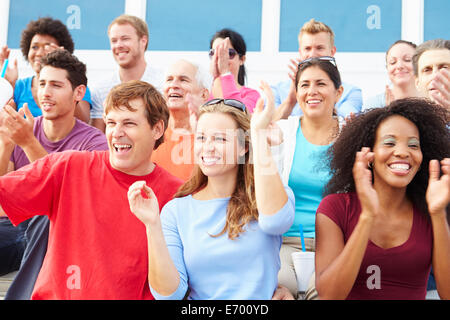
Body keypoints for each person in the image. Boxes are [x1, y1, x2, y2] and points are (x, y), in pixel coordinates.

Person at [0, 80, 182, 299]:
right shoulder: (67, 166)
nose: (117, 132)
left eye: (129, 123)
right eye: (112, 122)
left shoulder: (177, 195)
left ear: (157, 129)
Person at [128, 82, 295, 299]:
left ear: (244, 147)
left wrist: (258, 135)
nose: (208, 147)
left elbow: (276, 221)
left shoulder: (270, 194)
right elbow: (169, 295)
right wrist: (152, 225)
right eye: (201, 137)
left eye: (220, 138)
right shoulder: (175, 211)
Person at [315, 98, 450, 300]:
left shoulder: (432, 210)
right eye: (389, 143)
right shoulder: (335, 208)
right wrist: (367, 216)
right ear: (369, 154)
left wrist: (438, 213)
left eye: (413, 145)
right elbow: (329, 296)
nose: (403, 152)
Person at [0, 49, 109, 299]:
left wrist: (28, 143)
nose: (46, 93)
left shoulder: (95, 144)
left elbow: (69, 207)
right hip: (11, 228)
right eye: (42, 84)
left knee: (44, 221)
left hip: (57, 234)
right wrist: (6, 145)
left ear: (78, 93)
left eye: (56, 85)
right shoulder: (21, 129)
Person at [272, 56, 344, 299]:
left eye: (321, 84)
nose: (312, 91)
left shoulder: (351, 136)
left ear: (338, 92)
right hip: (285, 243)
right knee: (277, 289)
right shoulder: (282, 132)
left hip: (333, 244)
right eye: (304, 85)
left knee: (323, 292)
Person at [0, 17, 92, 122]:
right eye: (34, 47)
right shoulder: (19, 86)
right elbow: (6, 124)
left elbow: (83, 122)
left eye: (47, 47)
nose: (39, 53)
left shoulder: (77, 87)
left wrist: (63, 64)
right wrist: (9, 84)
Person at [271, 19, 362, 121]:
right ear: (300, 52)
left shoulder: (350, 92)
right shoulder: (277, 91)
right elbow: (269, 126)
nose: (313, 55)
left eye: (319, 48)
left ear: (332, 51)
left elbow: (349, 118)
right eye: (307, 49)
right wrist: (291, 101)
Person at [90, 14, 164, 132]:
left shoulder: (162, 84)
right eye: (114, 40)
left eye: (125, 39)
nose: (118, 45)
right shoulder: (100, 89)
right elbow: (99, 139)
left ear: (143, 41)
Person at [152, 59, 210, 181]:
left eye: (183, 80)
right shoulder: (151, 133)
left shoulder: (212, 140)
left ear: (204, 95)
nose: (173, 85)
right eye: (169, 80)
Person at [208, 28, 260, 113]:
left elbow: (240, 116)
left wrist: (225, 73)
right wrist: (213, 78)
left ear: (242, 59)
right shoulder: (203, 91)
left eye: (229, 53)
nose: (221, 58)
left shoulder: (251, 95)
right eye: (214, 53)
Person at [363, 40, 418, 111]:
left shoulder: (431, 99)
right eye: (393, 62)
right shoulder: (374, 104)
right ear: (387, 68)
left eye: (407, 60)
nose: (399, 66)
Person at [413, 39, 450, 110]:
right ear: (417, 83)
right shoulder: (403, 120)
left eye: (444, 68)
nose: (435, 76)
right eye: (427, 70)